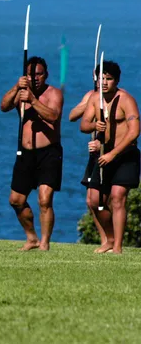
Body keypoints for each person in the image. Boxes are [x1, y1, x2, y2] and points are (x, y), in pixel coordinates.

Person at [0, 56, 63, 251]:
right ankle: (32, 237)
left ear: (46, 75)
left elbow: (53, 116)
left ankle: (45, 242)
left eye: (39, 74)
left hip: (49, 153)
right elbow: (4, 107)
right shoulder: (22, 93)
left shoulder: (54, 93)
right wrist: (16, 88)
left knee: (45, 199)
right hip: (25, 153)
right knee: (16, 200)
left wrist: (33, 101)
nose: (35, 78)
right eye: (30, 74)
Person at [80, 61, 140, 254]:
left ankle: (118, 247)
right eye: (101, 78)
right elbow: (84, 125)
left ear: (117, 80)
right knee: (94, 200)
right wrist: (95, 126)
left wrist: (113, 153)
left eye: (109, 79)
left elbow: (134, 131)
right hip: (104, 155)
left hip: (124, 155)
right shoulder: (95, 99)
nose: (104, 82)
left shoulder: (126, 100)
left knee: (117, 197)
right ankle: (109, 238)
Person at [69, 83, 109, 247]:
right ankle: (104, 239)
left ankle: (111, 238)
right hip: (94, 154)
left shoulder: (116, 98)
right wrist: (91, 103)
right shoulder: (91, 96)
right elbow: (72, 116)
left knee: (105, 199)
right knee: (90, 200)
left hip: (107, 151)